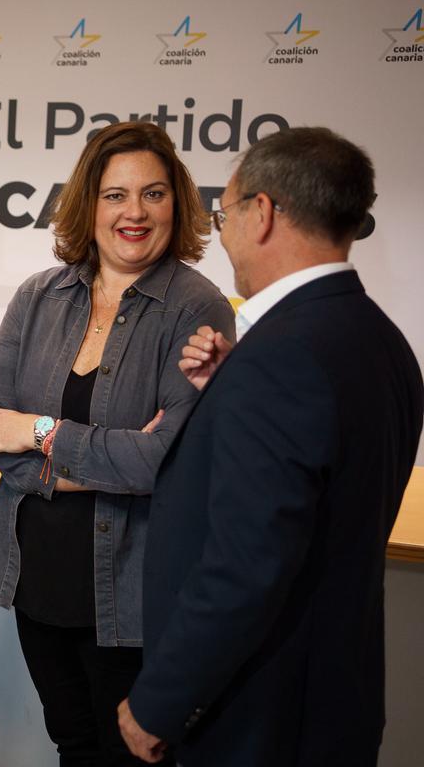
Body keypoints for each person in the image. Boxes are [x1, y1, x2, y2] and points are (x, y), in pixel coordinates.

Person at [119, 127, 423, 766]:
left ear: (262, 214)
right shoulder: (381, 340)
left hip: (258, 719)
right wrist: (232, 389)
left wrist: (160, 703)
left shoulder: (282, 359)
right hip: (331, 705)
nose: (222, 234)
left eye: (224, 213)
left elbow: (245, 566)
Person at [0, 121, 235, 766]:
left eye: (154, 194)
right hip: (37, 579)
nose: (135, 213)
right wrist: (92, 462)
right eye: (115, 195)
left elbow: (161, 462)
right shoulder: (38, 296)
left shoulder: (198, 309)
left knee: (130, 756)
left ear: (178, 202)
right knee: (73, 743)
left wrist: (42, 434)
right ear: (89, 204)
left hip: (134, 593)